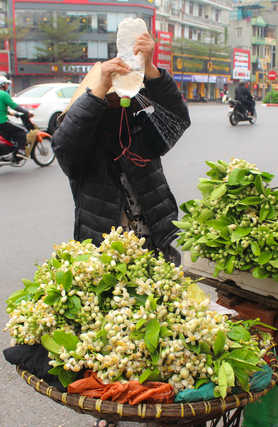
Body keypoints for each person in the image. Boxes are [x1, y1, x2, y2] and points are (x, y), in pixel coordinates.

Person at [51, 31, 190, 427]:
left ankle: (159, 397)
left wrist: (150, 69)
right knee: (114, 336)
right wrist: (98, 86)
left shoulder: (139, 128)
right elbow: (65, 142)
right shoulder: (78, 142)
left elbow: (178, 120)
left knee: (159, 332)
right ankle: (110, 410)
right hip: (106, 254)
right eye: (107, 96)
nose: (115, 100)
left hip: (155, 245)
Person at [0, 76, 32, 160]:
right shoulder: (4, 94)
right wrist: (26, 112)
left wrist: (12, 113)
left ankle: (9, 152)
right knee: (22, 132)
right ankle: (21, 152)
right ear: (3, 85)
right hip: (1, 122)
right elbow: (15, 106)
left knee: (10, 133)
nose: (8, 86)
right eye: (7, 84)